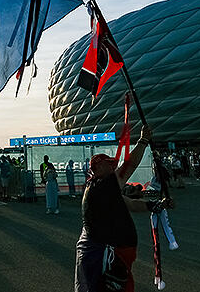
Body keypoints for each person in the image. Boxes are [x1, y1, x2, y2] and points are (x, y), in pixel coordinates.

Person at [75, 125, 169, 292]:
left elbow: (130, 204)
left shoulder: (106, 189)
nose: (113, 166)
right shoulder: (99, 185)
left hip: (115, 252)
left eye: (113, 163)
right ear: (97, 168)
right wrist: (143, 141)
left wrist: (157, 204)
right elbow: (129, 167)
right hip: (105, 253)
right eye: (108, 164)